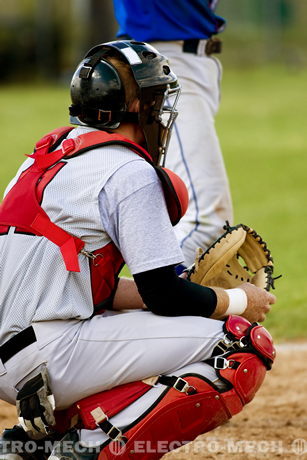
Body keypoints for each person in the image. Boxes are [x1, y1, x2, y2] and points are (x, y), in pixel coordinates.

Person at [0, 41, 275, 459]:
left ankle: (32, 442)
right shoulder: (129, 170)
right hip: (49, 355)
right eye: (156, 98)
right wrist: (237, 301)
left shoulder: (47, 156)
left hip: (21, 354)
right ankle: (87, 449)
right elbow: (165, 295)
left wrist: (193, 295)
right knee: (241, 344)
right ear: (137, 104)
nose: (161, 110)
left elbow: (96, 288)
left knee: (133, 318)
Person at [113, 0, 233, 271]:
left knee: (166, 211)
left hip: (190, 61)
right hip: (162, 64)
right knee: (205, 223)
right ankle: (161, 301)